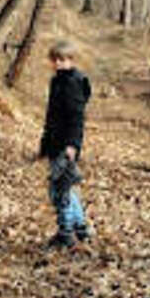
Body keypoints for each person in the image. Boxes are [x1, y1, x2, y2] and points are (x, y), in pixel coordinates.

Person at [37, 38, 92, 248]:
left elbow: (76, 118)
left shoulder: (73, 83)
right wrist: (44, 144)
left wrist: (72, 145)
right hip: (55, 142)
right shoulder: (57, 81)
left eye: (62, 60)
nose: (58, 63)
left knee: (59, 190)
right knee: (66, 188)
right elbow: (51, 117)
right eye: (55, 60)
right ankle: (81, 229)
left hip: (66, 145)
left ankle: (65, 233)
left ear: (71, 60)